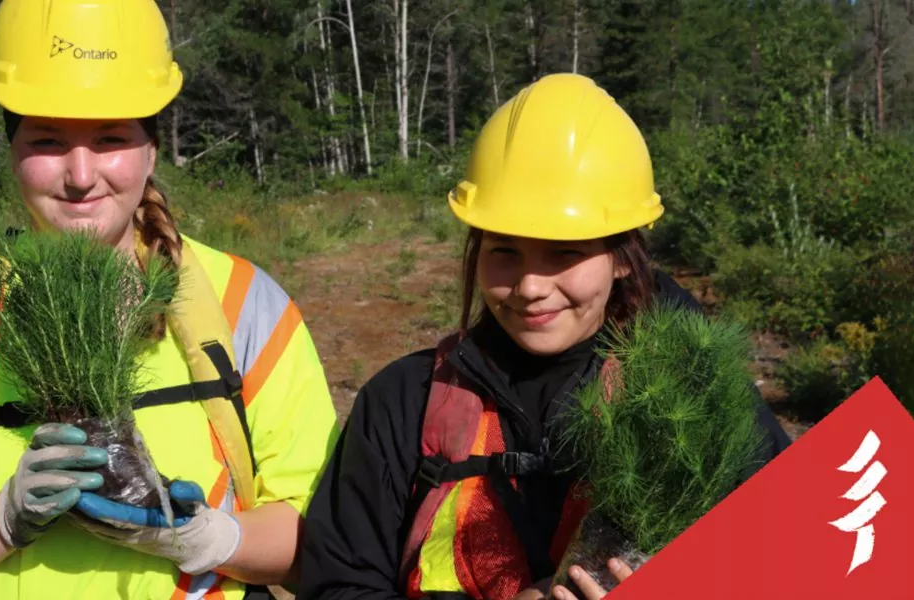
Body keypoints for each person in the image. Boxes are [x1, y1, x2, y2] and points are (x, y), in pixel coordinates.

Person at [0, 1, 339, 599]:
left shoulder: (245, 306)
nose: (80, 174)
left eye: (111, 138)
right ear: (11, 147)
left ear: (151, 149)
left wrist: (209, 539)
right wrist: (2, 517)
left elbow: (324, 546)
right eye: (47, 139)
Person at [296, 73, 792, 600]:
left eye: (564, 253)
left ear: (622, 257)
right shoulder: (403, 402)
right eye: (504, 251)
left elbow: (799, 555)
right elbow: (338, 585)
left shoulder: (699, 397)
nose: (531, 287)